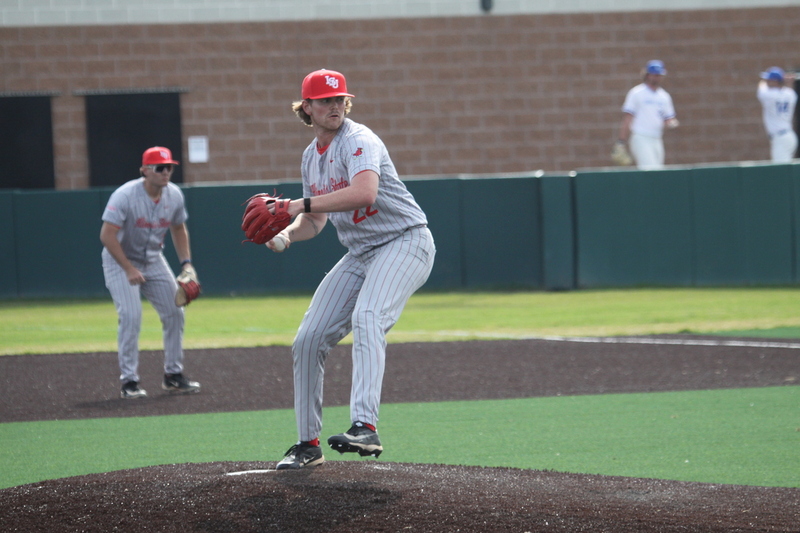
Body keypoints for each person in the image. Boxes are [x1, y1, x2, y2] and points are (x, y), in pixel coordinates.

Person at [267, 69, 436, 470]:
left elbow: (364, 193)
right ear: (306, 107)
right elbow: (314, 222)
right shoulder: (312, 157)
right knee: (307, 340)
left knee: (368, 316)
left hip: (405, 240)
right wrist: (288, 234)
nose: (335, 106)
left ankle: (365, 426)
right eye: (325, 100)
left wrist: (299, 205)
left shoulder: (359, 140)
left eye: (340, 98)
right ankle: (307, 443)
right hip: (361, 253)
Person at [100, 146, 201, 399]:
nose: (166, 172)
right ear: (145, 170)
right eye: (160, 167)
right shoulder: (125, 195)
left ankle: (173, 376)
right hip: (120, 260)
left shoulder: (174, 195)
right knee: (132, 317)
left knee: (175, 312)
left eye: (169, 167)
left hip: (153, 259)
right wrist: (128, 269)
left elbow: (179, 228)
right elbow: (107, 235)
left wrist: (186, 263)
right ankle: (129, 382)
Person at [616, 60, 679, 170]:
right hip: (641, 137)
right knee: (650, 170)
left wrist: (671, 122)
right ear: (647, 75)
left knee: (658, 172)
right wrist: (621, 141)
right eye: (654, 75)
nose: (656, 78)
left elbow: (668, 118)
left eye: (659, 75)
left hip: (657, 138)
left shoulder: (664, 96)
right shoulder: (636, 93)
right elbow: (628, 118)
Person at [757, 66, 798, 163]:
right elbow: (787, 91)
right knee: (785, 169)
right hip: (788, 136)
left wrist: (782, 80)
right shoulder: (790, 94)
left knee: (780, 170)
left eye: (769, 79)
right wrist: (788, 82)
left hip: (781, 137)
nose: (766, 81)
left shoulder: (769, 95)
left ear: (775, 81)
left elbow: (761, 88)